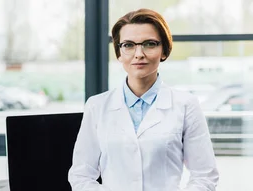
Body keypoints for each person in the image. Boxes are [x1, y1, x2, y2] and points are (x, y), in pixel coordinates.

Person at [68, 8, 219, 191]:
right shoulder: (97, 106)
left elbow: (204, 176)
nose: (139, 54)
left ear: (164, 51)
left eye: (149, 44)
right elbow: (81, 175)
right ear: (118, 53)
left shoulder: (186, 105)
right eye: (129, 45)